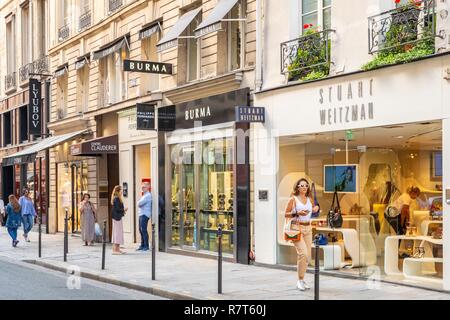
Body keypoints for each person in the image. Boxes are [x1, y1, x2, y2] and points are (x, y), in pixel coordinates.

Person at [284, 178, 320, 291]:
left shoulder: (310, 198)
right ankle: (299, 280)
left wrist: (316, 208)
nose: (304, 187)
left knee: (307, 256)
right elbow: (286, 214)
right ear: (298, 187)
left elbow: (314, 209)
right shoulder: (293, 199)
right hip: (297, 227)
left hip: (308, 228)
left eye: (306, 186)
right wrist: (296, 212)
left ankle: (302, 279)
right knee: (303, 254)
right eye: (302, 185)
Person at [111, 185, 127, 255]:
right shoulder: (116, 198)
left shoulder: (117, 198)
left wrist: (123, 211)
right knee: (117, 233)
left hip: (117, 217)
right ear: (118, 191)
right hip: (116, 218)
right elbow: (117, 209)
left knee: (118, 233)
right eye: (121, 190)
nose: (122, 191)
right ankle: (115, 250)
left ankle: (118, 249)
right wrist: (124, 209)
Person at [137, 182, 152, 252]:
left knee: (143, 230)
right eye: (142, 187)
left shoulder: (148, 195)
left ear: (148, 187)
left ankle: (146, 246)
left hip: (145, 214)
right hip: (141, 214)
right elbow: (139, 203)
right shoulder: (144, 195)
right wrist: (139, 203)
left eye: (144, 187)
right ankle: (142, 245)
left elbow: (139, 203)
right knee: (140, 230)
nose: (142, 188)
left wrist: (139, 203)